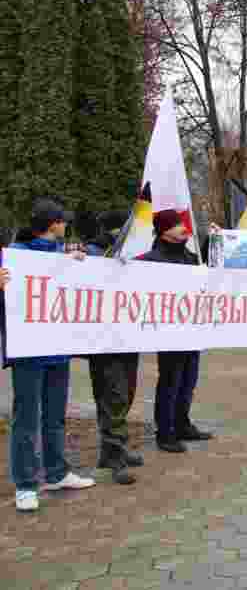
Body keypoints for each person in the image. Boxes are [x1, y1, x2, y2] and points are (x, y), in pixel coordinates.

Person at [3, 199, 96, 512]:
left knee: (55, 416)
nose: (66, 224)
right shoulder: (16, 256)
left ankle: (56, 473)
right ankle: (26, 485)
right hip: (29, 353)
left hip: (57, 350)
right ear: (52, 223)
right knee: (26, 419)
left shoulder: (59, 256)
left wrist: (77, 262)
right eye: (62, 220)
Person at [139, 210, 213, 452]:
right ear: (164, 231)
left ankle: (182, 424)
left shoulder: (190, 257)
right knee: (171, 381)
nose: (183, 227)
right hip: (168, 332)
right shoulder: (151, 260)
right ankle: (165, 432)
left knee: (188, 380)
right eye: (177, 224)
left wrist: (213, 241)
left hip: (191, 330)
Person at [84, 210, 142, 485]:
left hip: (127, 336)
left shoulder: (131, 254)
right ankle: (114, 453)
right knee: (112, 395)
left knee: (126, 393)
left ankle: (111, 450)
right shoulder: (93, 253)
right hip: (103, 340)